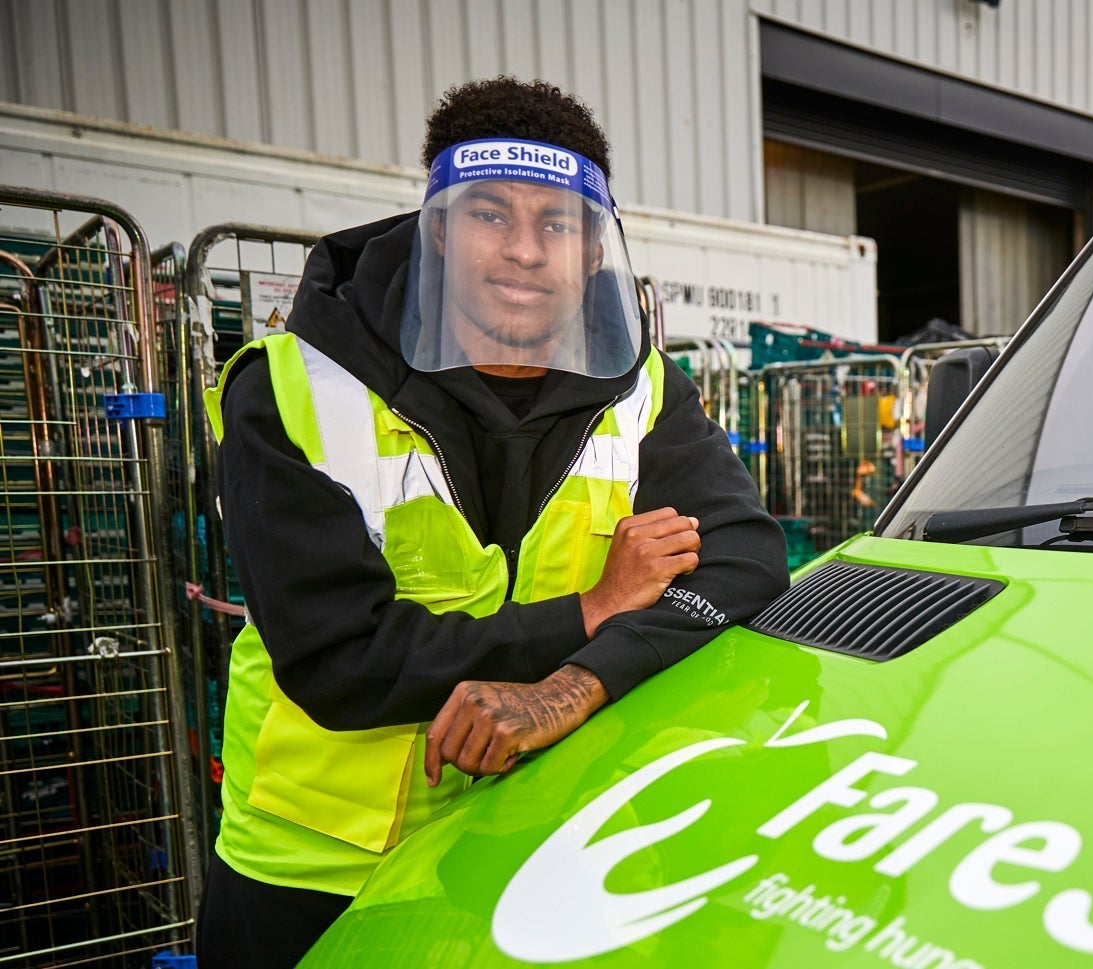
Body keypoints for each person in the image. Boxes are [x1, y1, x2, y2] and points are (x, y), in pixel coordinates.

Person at [195, 76, 789, 968]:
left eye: (557, 223)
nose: (523, 250)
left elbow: (746, 562)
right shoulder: (290, 387)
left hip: (529, 845)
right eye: (489, 214)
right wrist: (590, 611)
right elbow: (336, 656)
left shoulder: (642, 388)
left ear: (593, 249)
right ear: (437, 229)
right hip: (315, 871)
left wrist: (574, 683)